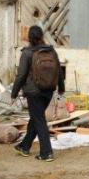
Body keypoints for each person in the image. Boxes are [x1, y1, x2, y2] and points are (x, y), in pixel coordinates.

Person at [12, 25, 64, 162]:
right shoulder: (52, 52)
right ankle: (24, 146)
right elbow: (59, 71)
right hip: (48, 91)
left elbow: (21, 75)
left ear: (29, 38)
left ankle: (46, 152)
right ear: (42, 36)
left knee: (39, 119)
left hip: (33, 92)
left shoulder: (27, 53)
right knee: (36, 118)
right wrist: (61, 88)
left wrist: (14, 93)